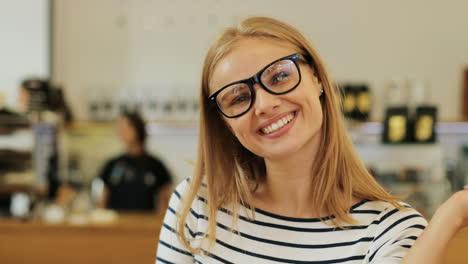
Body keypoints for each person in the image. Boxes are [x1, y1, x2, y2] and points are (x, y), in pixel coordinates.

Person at [156, 16, 468, 264]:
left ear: (317, 78)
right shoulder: (198, 204)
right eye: (238, 98)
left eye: (279, 76)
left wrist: (450, 216)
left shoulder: (388, 228)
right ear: (223, 122)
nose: (264, 104)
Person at [97, 111, 173, 214]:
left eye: (125, 128)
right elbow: (103, 199)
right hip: (116, 225)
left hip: (146, 225)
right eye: (119, 129)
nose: (121, 132)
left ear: (137, 129)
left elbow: (165, 199)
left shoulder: (155, 165)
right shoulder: (113, 164)